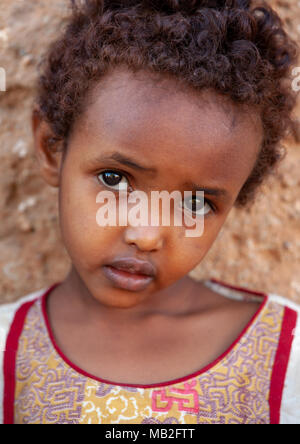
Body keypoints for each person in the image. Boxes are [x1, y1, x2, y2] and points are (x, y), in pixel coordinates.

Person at [0, 0, 299, 424]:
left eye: (196, 204)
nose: (147, 234)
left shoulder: (286, 358)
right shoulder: (7, 356)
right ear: (53, 149)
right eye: (115, 180)